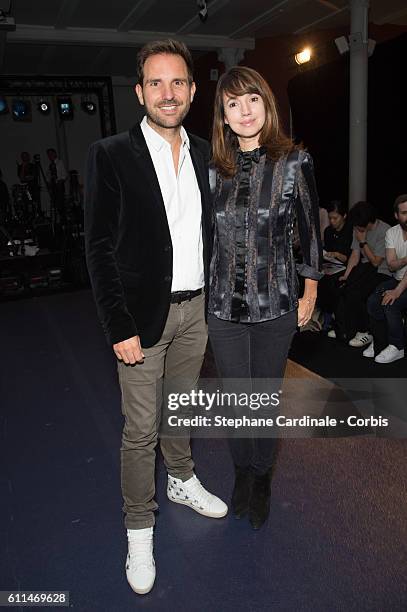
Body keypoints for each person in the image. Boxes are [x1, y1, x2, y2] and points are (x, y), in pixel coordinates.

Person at [85, 39, 227, 596]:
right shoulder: (111, 154)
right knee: (140, 430)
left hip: (197, 312)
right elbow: (97, 246)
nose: (168, 93)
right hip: (141, 320)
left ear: (192, 91)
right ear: (140, 91)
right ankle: (139, 530)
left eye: (179, 83)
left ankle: (183, 480)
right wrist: (118, 324)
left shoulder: (206, 154)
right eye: (156, 83)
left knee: (182, 409)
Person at [208, 66, 322, 530]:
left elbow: (312, 230)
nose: (244, 110)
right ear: (224, 116)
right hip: (222, 308)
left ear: (266, 103)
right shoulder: (215, 168)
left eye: (251, 99)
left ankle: (262, 477)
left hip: (275, 304)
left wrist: (310, 286)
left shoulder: (294, 161)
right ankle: (242, 474)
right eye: (233, 104)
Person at [330, 201, 391, 346]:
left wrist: (363, 241)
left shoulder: (385, 231)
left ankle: (365, 331)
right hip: (365, 268)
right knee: (344, 287)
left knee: (359, 293)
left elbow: (376, 262)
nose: (357, 228)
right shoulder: (358, 227)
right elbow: (355, 254)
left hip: (382, 271)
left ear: (369, 222)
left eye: (359, 226)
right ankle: (345, 328)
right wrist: (347, 275)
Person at [364, 194, 407, 363]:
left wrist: (397, 291)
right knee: (374, 300)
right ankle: (380, 341)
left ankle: (398, 346)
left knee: (392, 302)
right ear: (396, 215)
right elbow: (391, 265)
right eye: (404, 213)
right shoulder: (392, 232)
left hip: (402, 283)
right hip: (398, 278)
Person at [318, 199, 353, 326]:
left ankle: (332, 317)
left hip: (347, 267)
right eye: (330, 218)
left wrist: (337, 254)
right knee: (319, 277)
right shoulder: (328, 231)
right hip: (332, 265)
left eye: (335, 218)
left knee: (332, 283)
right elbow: (327, 250)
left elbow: (351, 256)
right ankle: (324, 315)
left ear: (344, 216)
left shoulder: (350, 230)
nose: (332, 221)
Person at [46, 148, 67, 223]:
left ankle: (63, 220)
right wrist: (49, 184)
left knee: (60, 204)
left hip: (59, 186)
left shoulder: (60, 162)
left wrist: (59, 182)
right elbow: (48, 177)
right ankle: (57, 220)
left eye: (51, 154)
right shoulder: (49, 165)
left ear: (55, 154)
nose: (50, 156)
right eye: (48, 155)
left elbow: (64, 175)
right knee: (55, 204)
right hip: (53, 187)